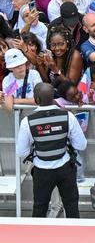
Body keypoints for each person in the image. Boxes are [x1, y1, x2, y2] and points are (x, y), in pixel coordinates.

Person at [15, 83, 88, 218]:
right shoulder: (68, 116)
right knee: (71, 206)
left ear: (36, 99)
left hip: (42, 171)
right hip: (65, 168)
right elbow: (81, 145)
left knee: (39, 207)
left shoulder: (27, 122)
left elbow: (21, 152)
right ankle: (76, 237)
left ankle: (38, 238)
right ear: (54, 97)